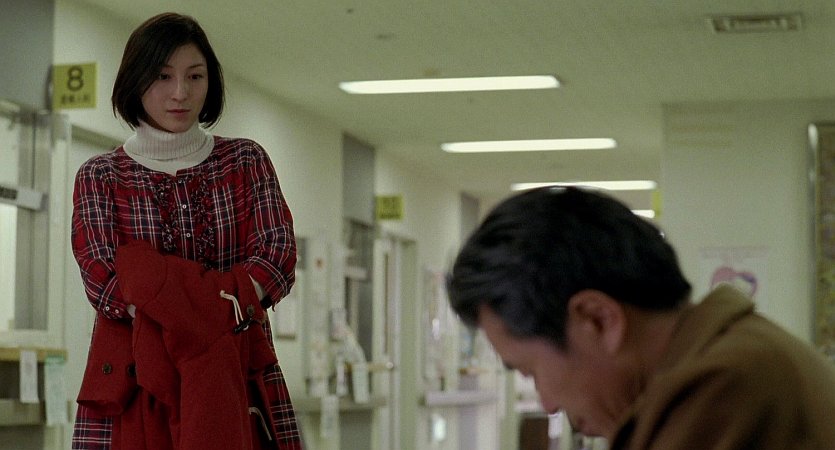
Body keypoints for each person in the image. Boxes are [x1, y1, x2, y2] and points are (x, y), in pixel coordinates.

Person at [446, 186, 835, 449]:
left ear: (598, 320)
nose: (547, 404)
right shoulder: (739, 351)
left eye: (530, 371)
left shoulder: (720, 387)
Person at [70, 12, 302, 449]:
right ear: (135, 80)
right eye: (163, 76)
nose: (181, 92)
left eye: (195, 76)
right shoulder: (101, 176)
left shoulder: (244, 161)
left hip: (237, 377)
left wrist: (161, 294)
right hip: (133, 385)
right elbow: (104, 282)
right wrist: (224, 304)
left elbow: (277, 259)